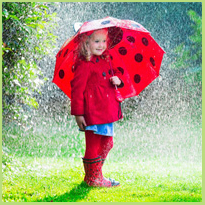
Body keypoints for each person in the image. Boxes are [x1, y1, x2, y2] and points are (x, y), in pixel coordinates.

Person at [70, 28, 123, 187]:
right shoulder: (85, 64)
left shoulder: (107, 59)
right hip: (93, 112)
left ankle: (96, 175)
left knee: (108, 143)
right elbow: (77, 90)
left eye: (104, 41)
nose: (101, 45)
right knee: (93, 144)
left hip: (106, 111)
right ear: (86, 43)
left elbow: (110, 81)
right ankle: (93, 178)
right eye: (96, 41)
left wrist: (118, 81)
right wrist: (78, 114)